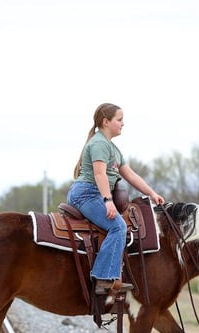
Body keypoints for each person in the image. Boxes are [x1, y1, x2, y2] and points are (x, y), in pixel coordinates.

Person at [67, 103, 166, 295]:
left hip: (94, 193)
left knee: (118, 225)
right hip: (86, 193)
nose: (123, 124)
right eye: (119, 120)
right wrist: (108, 201)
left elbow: (131, 175)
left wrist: (152, 194)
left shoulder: (112, 148)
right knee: (118, 227)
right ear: (106, 121)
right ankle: (103, 278)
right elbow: (100, 174)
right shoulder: (99, 144)